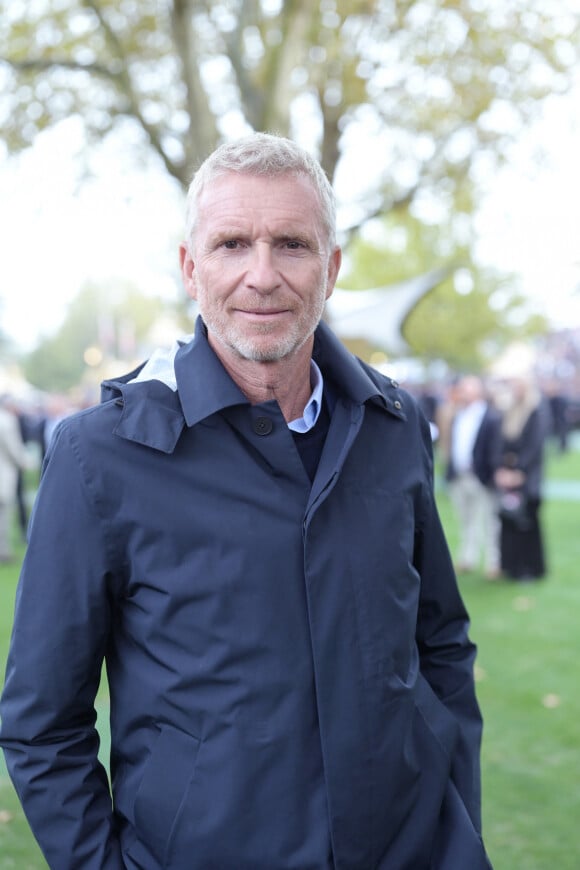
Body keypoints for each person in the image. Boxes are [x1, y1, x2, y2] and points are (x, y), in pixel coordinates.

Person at [0, 133, 492, 869]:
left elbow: (441, 644)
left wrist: (459, 825)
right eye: (232, 244)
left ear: (329, 269)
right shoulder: (98, 456)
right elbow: (41, 724)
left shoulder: (392, 428)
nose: (262, 276)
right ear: (191, 269)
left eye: (291, 245)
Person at [444, 375, 503, 579]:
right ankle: (468, 557)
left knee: (489, 521)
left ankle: (493, 561)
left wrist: (492, 473)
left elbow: (495, 448)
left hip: (482, 476)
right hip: (460, 476)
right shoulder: (457, 414)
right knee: (466, 519)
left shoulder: (491, 416)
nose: (464, 392)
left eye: (468, 388)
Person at [495, 376, 548, 581]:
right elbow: (501, 442)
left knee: (527, 523)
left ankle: (529, 568)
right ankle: (511, 565)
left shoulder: (536, 410)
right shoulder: (509, 410)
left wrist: (519, 471)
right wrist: (503, 468)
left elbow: (534, 447)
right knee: (509, 522)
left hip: (527, 479)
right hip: (509, 475)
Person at [0, 396, 29, 562]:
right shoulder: (7, 421)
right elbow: (14, 449)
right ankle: (3, 551)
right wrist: (26, 462)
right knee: (3, 513)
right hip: (4, 474)